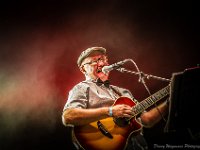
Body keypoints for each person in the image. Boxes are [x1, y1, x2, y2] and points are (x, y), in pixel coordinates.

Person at [62, 47, 169, 150]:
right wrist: (110, 111)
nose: (102, 63)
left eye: (103, 59)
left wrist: (170, 101)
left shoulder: (123, 92)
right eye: (94, 61)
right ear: (82, 69)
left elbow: (147, 119)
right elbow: (68, 116)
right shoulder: (82, 88)